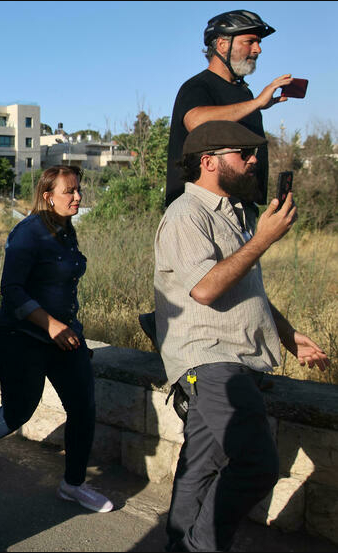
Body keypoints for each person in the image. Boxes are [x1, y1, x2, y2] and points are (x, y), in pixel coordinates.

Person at [156, 120, 329, 552]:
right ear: (209, 162)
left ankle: (181, 544)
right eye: (243, 154)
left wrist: (288, 335)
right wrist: (264, 240)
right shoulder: (186, 214)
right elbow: (207, 288)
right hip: (212, 361)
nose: (253, 162)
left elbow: (243, 286)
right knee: (255, 464)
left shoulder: (235, 215)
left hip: (234, 359)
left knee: (203, 463)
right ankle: (201, 547)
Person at [0, 165, 114, 512]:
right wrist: (52, 326)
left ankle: (72, 485)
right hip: (20, 338)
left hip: (64, 338)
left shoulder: (65, 230)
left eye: (78, 190)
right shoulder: (28, 233)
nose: (77, 197)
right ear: (48, 197)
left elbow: (64, 291)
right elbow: (11, 290)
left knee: (83, 407)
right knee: (19, 409)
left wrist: (74, 332)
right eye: (69, 192)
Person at [165, 10, 288, 207]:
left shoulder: (244, 93)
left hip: (241, 208)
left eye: (259, 43)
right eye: (250, 41)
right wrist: (256, 104)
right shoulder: (197, 86)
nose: (258, 50)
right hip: (205, 210)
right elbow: (197, 122)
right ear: (222, 45)